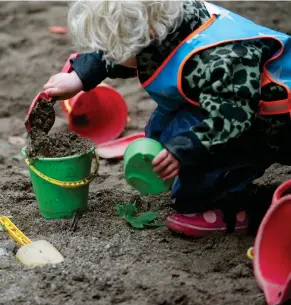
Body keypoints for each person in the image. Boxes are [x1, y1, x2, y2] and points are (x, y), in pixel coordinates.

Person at [42, 0, 291, 237]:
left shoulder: (219, 59)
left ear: (148, 34)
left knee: (193, 167)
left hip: (268, 122)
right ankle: (189, 168)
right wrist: (80, 77)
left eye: (115, 49)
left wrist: (185, 149)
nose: (109, 56)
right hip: (216, 100)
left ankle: (232, 211)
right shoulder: (164, 20)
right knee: (160, 137)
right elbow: (122, 53)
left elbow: (232, 118)